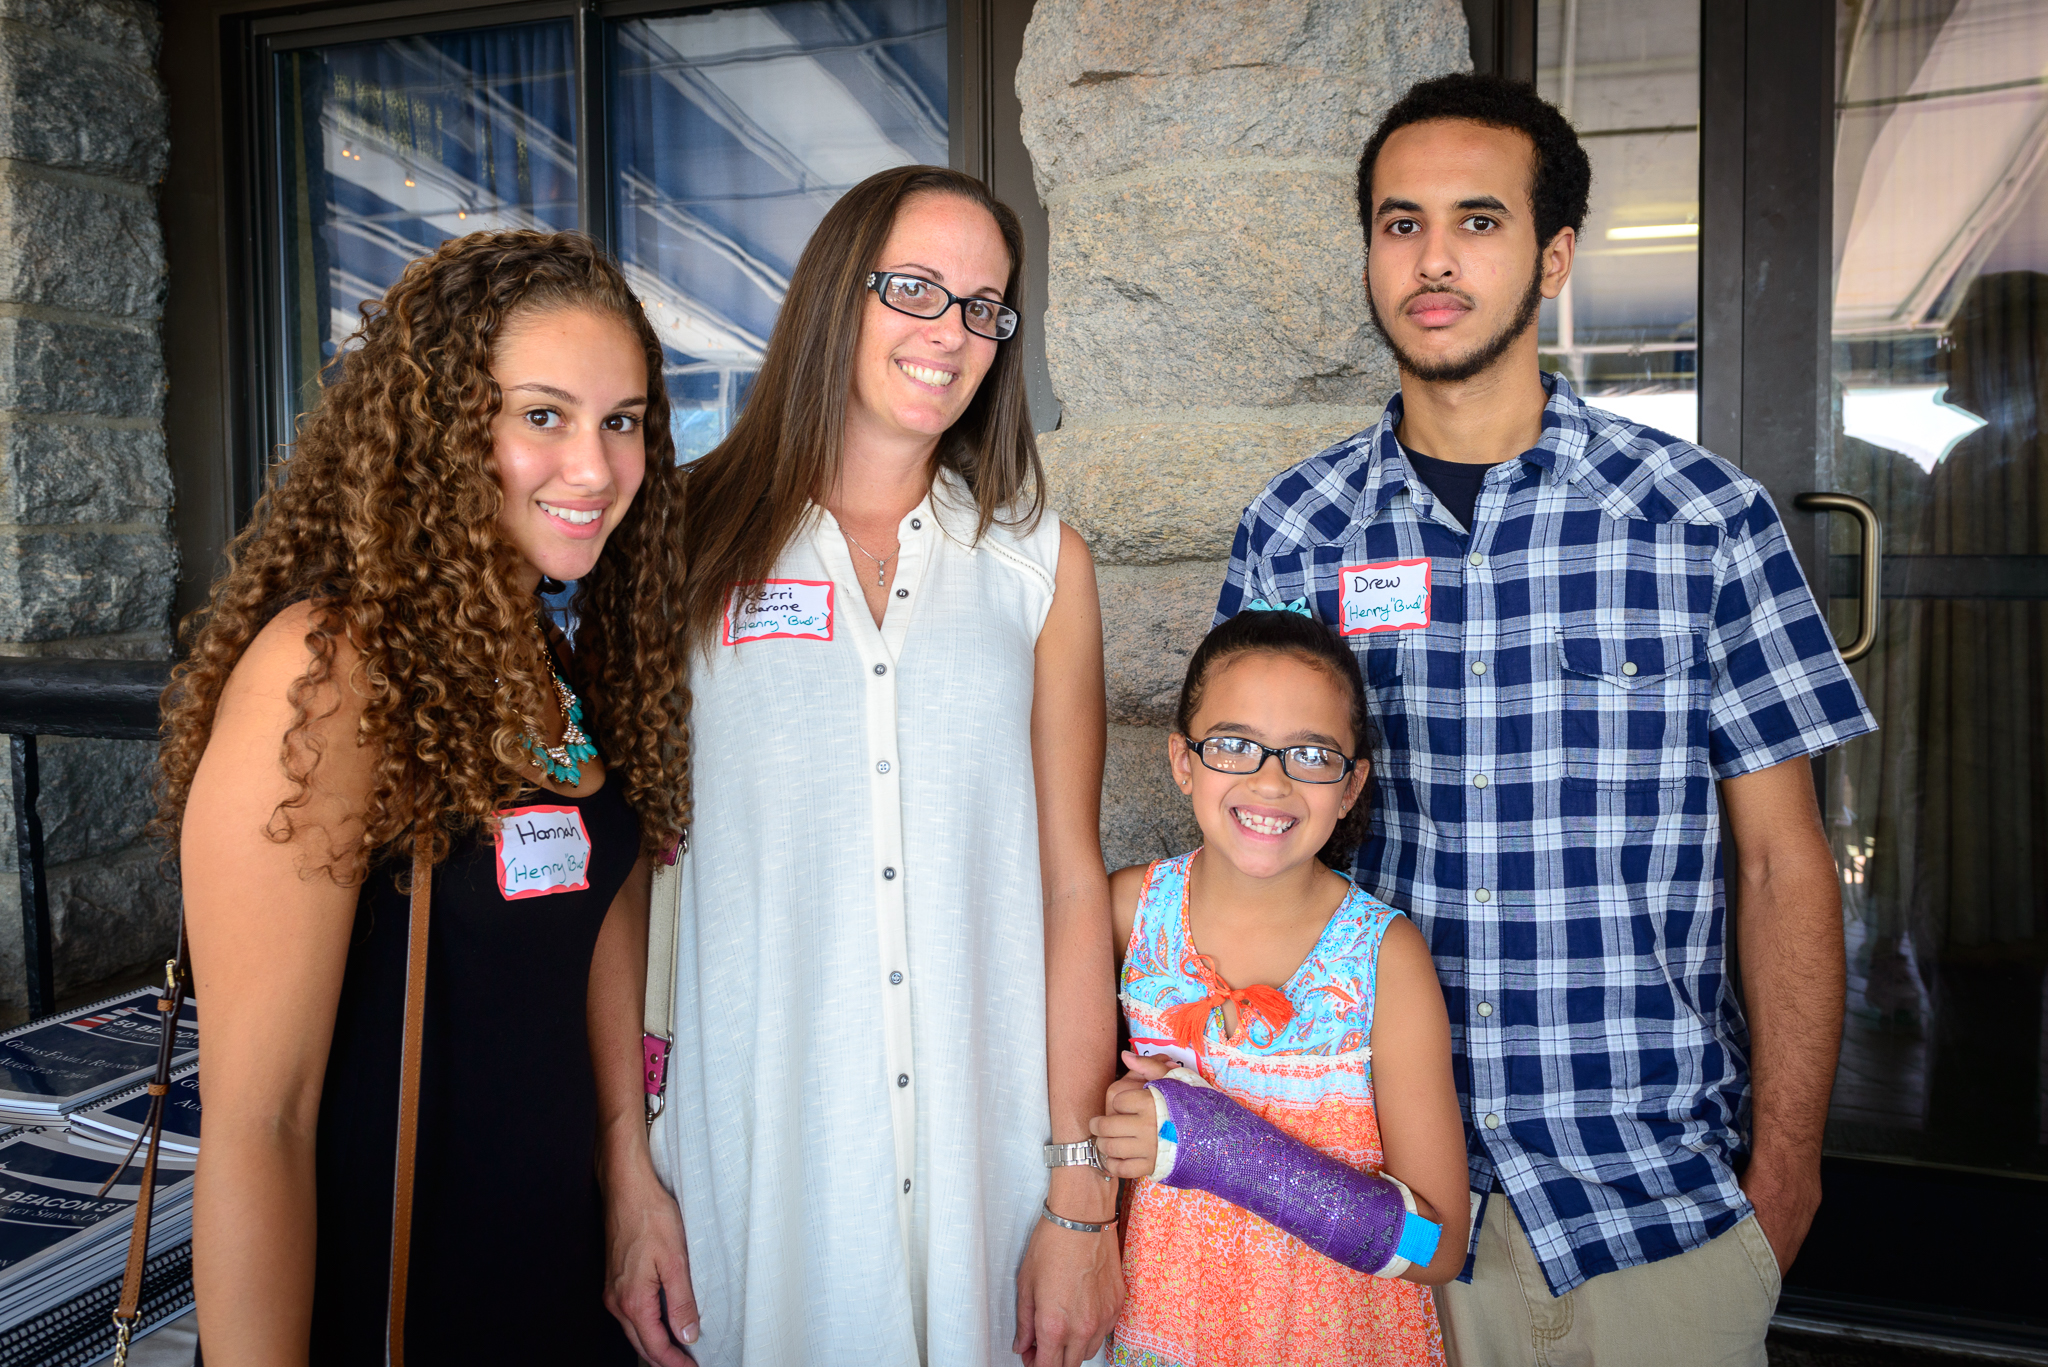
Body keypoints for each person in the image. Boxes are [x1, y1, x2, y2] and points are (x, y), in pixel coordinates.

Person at [1215, 73, 1877, 1365]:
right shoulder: (1295, 530)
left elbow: (1779, 861)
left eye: (1479, 219)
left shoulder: (1702, 520)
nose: (1434, 257)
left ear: (1555, 254)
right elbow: (1248, 842)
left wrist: (1786, 1174)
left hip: (1654, 1200)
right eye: (1401, 223)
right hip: (1387, 1196)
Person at [612, 165, 1120, 1366]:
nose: (950, 333)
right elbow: (620, 892)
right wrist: (627, 1174)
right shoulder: (675, 541)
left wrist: (1078, 1191)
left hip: (988, 1171)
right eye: (915, 290)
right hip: (757, 1164)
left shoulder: (1040, 567)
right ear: (838, 292)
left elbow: (1067, 886)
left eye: (984, 307)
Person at [158, 230, 690, 1364]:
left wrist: (628, 1166)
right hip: (389, 1292)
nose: (594, 467)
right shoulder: (331, 671)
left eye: (622, 419)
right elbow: (260, 1122)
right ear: (439, 431)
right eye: (540, 416)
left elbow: (590, 918)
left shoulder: (554, 657)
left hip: (559, 1276)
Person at [1087, 607, 1467, 1367]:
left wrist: (1214, 1143)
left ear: (1352, 783)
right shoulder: (1126, 913)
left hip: (1337, 1340)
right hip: (1160, 1333)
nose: (1271, 781)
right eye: (1234, 745)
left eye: (1311, 754)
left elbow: (1437, 1244)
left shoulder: (1384, 956)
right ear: (1182, 760)